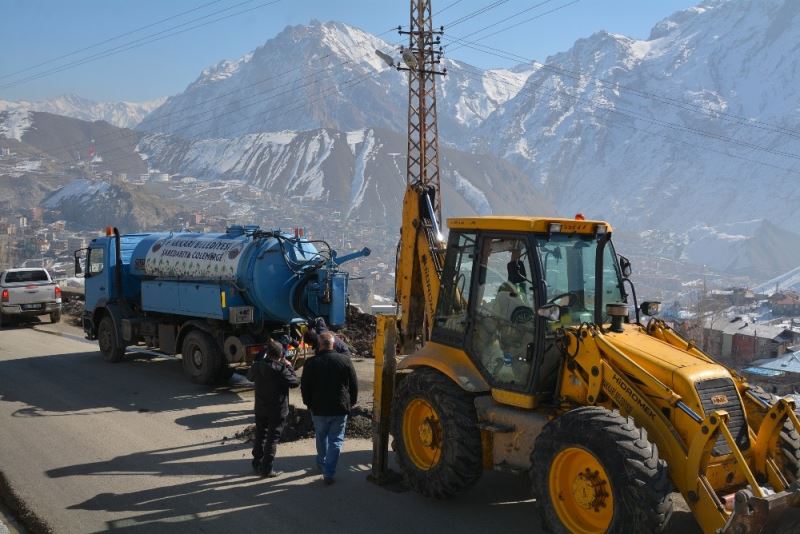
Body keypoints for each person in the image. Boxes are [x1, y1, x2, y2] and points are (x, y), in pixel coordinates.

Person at [300, 331, 358, 485]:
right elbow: (353, 384)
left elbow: (305, 386)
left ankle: (321, 463)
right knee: (336, 441)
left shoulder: (311, 363)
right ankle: (329, 472)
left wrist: (308, 403)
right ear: (333, 344)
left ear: (319, 345)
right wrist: (351, 402)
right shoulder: (345, 360)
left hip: (318, 408)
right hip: (339, 407)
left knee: (321, 436)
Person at [247, 339, 299, 477]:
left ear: (267, 353)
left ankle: (256, 462)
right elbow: (295, 382)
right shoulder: (280, 369)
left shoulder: (257, 366)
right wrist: (289, 367)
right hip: (277, 409)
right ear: (281, 355)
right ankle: (267, 468)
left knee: (260, 434)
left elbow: (249, 377)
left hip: (261, 407)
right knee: (272, 438)